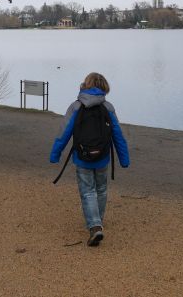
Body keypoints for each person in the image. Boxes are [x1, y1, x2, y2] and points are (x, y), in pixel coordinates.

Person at [50, 72, 130, 246]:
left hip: (82, 157)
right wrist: (124, 158)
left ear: (86, 85)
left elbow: (64, 133)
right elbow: (118, 134)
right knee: (101, 189)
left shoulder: (76, 106)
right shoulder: (108, 107)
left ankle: (95, 225)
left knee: (88, 191)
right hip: (103, 157)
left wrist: (55, 153)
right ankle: (97, 221)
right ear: (104, 88)